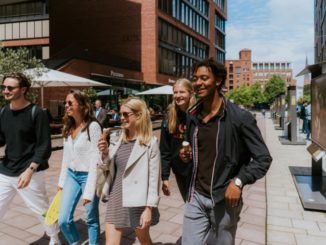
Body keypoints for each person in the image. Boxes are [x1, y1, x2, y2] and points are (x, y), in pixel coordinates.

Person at [179, 58, 272, 245]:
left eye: (204, 78)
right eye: (195, 79)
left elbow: (263, 158)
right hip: (196, 196)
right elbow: (197, 150)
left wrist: (238, 182)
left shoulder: (240, 118)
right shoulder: (192, 115)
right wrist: (187, 156)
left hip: (224, 200)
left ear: (218, 80)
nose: (198, 83)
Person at [0, 73, 60, 245]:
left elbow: (44, 146)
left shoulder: (37, 112)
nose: (6, 91)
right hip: (6, 170)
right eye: (4, 87)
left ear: (23, 89)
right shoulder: (3, 112)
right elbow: (2, 139)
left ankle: (55, 238)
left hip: (29, 172)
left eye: (10, 88)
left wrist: (30, 170)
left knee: (41, 210)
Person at [97, 97, 160, 245]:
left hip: (138, 200)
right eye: (121, 114)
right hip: (116, 196)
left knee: (144, 240)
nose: (121, 118)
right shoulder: (117, 138)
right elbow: (108, 168)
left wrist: (149, 209)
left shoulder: (150, 143)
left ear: (138, 115)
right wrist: (105, 153)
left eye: (126, 114)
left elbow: (153, 180)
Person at [58, 90, 102, 245]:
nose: (66, 106)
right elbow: (66, 158)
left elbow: (95, 160)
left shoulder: (93, 126)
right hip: (71, 175)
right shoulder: (68, 126)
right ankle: (75, 242)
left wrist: (89, 191)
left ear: (82, 105)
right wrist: (61, 183)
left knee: (91, 218)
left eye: (70, 103)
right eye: (65, 103)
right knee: (63, 219)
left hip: (88, 176)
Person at [160, 78, 196, 202]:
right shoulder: (169, 116)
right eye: (175, 92)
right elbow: (165, 150)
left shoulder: (199, 114)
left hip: (198, 171)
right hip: (180, 172)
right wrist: (165, 177)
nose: (178, 95)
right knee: (188, 203)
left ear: (191, 93)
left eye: (182, 92)